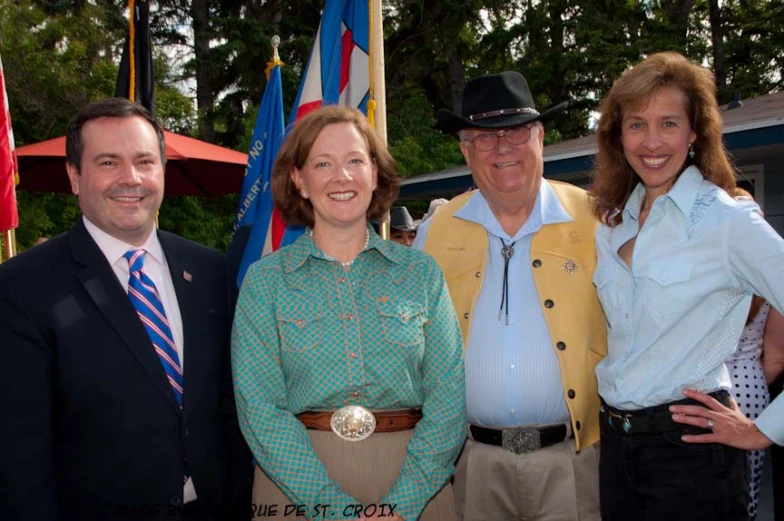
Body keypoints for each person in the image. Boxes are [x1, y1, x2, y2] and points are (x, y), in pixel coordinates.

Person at [0, 98, 252, 521]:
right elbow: (19, 450)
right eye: (108, 163)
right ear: (75, 176)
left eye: (144, 161)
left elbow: (229, 407)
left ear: (163, 172)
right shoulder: (22, 287)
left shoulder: (208, 269)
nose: (130, 178)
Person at [232, 105, 466, 521]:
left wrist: (403, 503)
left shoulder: (421, 273)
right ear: (300, 181)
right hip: (297, 483)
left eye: (355, 161)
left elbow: (449, 399)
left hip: (416, 479)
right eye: (323, 163)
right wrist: (334, 510)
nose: (341, 176)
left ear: (375, 174)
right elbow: (260, 409)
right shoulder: (265, 282)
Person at [590, 51, 784, 521]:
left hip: (691, 452)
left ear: (695, 132)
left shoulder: (725, 220)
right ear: (618, 134)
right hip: (616, 449)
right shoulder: (612, 224)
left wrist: (764, 430)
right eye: (636, 124)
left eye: (669, 123)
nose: (651, 142)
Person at [414, 71, 606, 521]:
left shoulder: (597, 221)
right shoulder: (433, 232)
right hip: (471, 465)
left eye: (517, 131)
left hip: (573, 461)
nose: (503, 148)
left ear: (540, 138)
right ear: (465, 150)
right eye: (484, 138)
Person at [724, 189, 784, 520]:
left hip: (702, 388)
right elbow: (775, 359)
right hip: (749, 386)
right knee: (745, 488)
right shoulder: (771, 278)